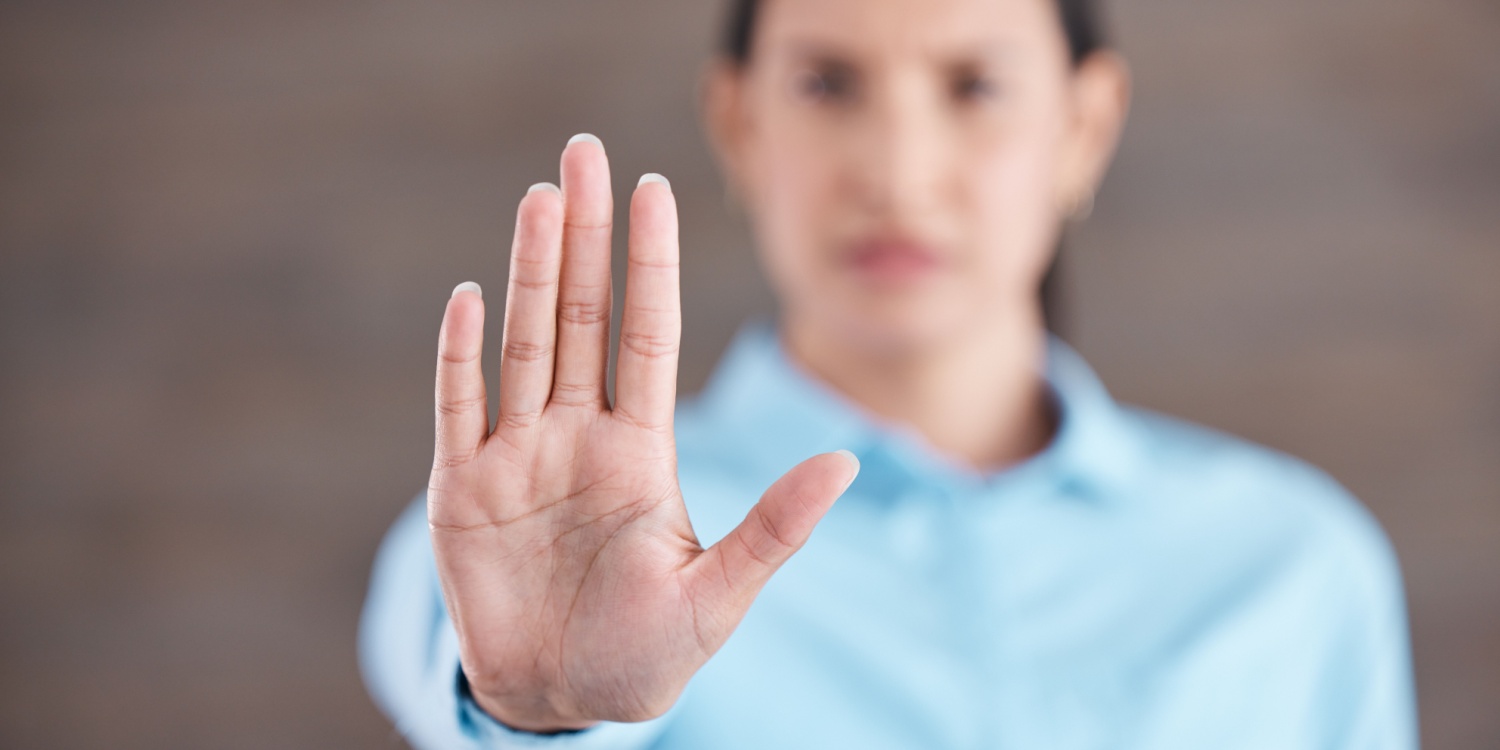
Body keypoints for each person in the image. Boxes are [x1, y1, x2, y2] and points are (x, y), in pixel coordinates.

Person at [358, 0, 1418, 747]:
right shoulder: (534, 540)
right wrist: (536, 713)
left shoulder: (1295, 570)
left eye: (976, 85)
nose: (900, 169)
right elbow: (470, 673)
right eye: (826, 82)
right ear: (738, 121)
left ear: (1084, 127)